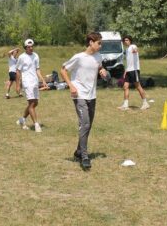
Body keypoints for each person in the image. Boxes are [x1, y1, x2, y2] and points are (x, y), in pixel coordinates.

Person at [61, 32, 109, 170]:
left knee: (87, 125)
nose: (100, 46)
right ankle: (84, 156)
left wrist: (102, 71)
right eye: (99, 43)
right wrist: (71, 86)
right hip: (79, 94)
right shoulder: (79, 57)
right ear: (91, 42)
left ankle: (78, 151)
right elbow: (63, 70)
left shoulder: (98, 56)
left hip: (92, 95)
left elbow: (99, 67)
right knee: (85, 123)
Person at [16, 39, 48, 133]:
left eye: (32, 46)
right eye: (29, 47)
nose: (31, 48)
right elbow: (18, 71)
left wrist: (43, 80)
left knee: (35, 103)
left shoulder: (36, 56)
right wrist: (17, 85)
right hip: (27, 82)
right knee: (31, 103)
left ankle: (22, 119)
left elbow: (37, 69)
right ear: (25, 48)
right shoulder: (22, 57)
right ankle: (36, 125)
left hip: (35, 82)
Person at [120, 35, 150, 110]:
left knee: (138, 86)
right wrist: (125, 71)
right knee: (125, 86)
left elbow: (136, 49)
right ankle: (125, 105)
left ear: (130, 41)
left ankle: (145, 103)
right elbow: (128, 62)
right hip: (128, 71)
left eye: (127, 40)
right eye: (124, 40)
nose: (125, 42)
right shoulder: (126, 49)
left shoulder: (133, 46)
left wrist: (135, 51)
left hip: (134, 70)